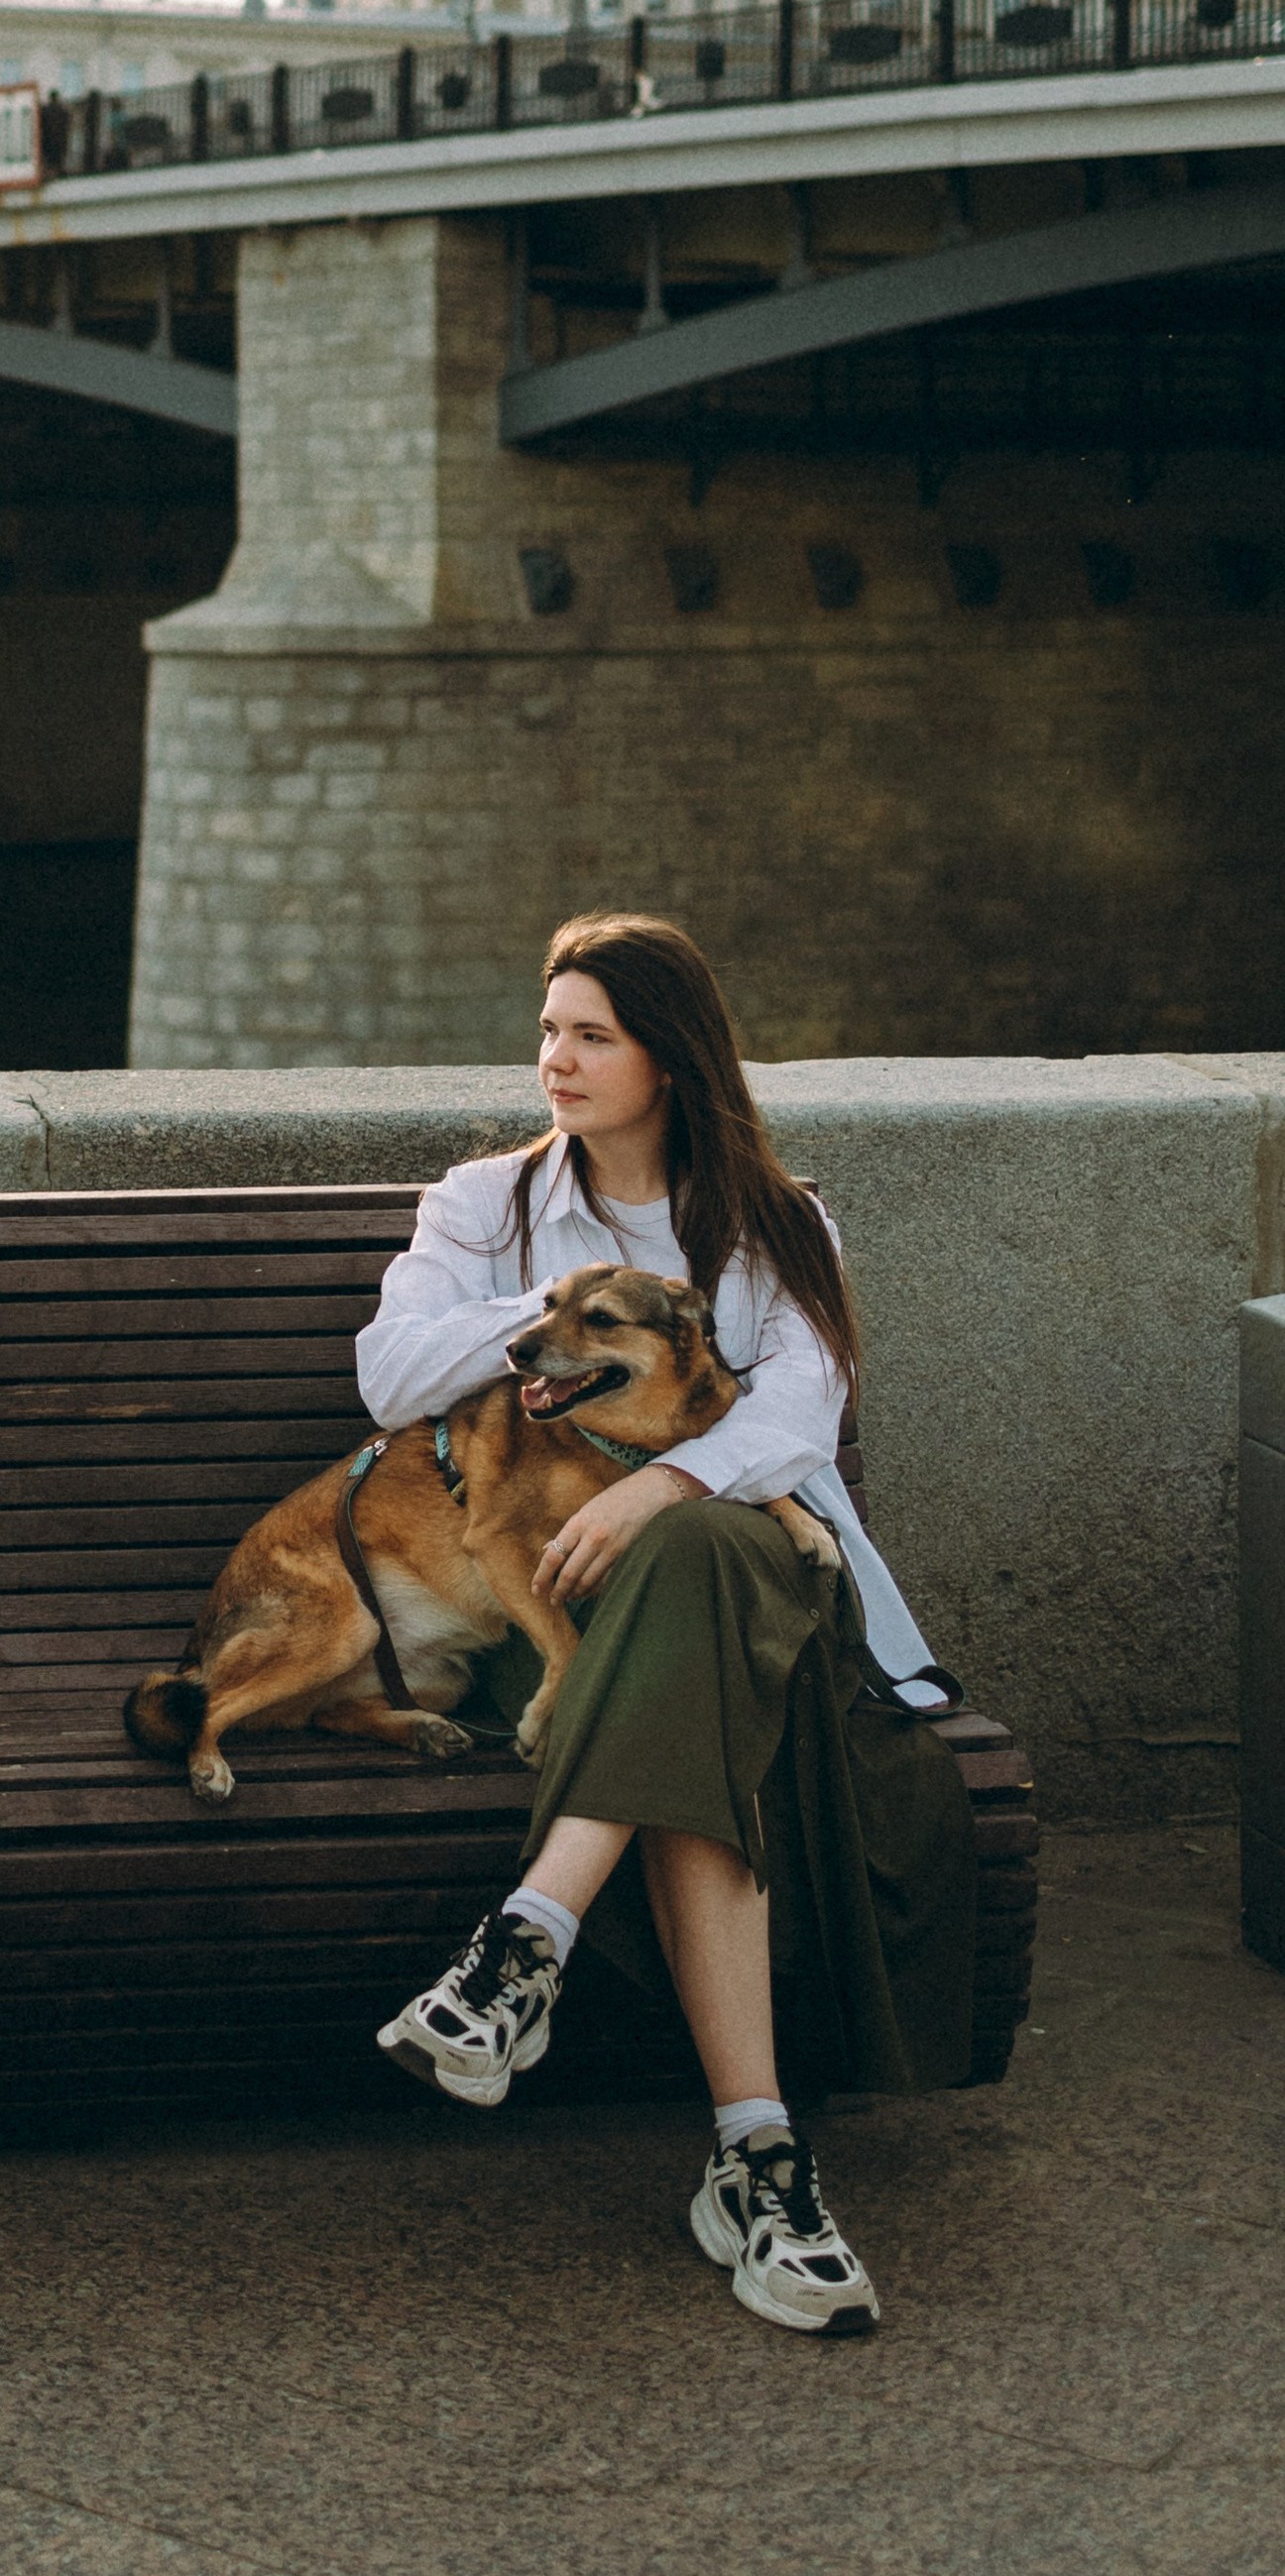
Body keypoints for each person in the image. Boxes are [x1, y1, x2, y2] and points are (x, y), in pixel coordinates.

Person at [360, 911, 975, 2339]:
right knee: (697, 1695)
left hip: (762, 1583)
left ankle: (524, 1944)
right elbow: (390, 1375)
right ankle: (758, 2160)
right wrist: (567, 1308)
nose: (554, 1059)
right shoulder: (483, 1206)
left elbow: (800, 1416)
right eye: (548, 1028)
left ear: (670, 1058)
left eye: (592, 1034)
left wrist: (664, 1489)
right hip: (555, 1600)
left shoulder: (774, 1218)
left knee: (695, 1560)